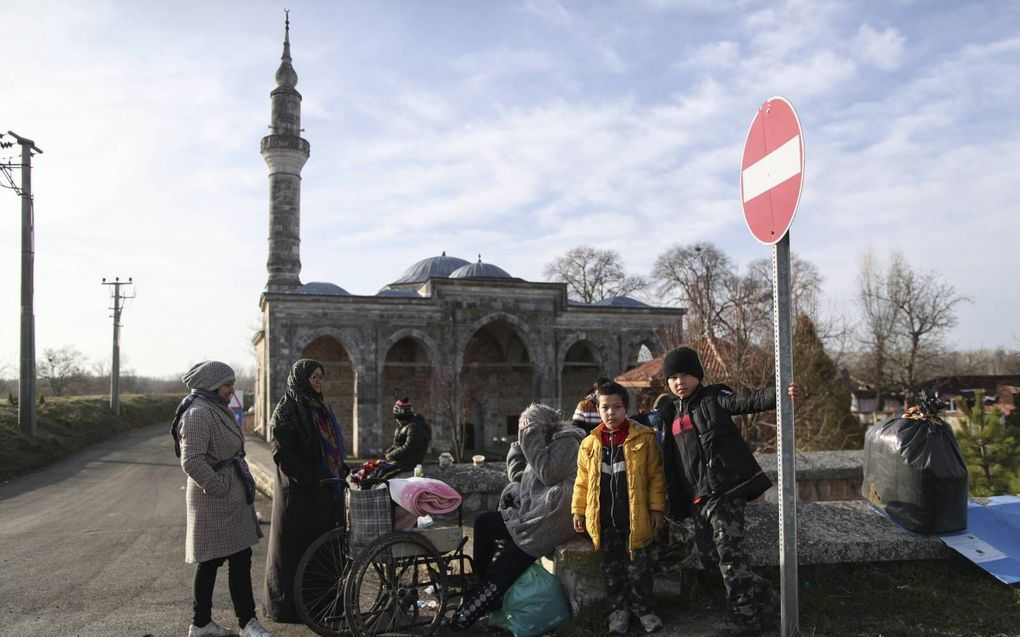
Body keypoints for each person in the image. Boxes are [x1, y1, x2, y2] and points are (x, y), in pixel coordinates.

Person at [658, 346, 795, 637]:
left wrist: (781, 394)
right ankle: (770, 603)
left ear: (698, 376)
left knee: (730, 558)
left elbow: (748, 401)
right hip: (697, 498)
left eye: (685, 375)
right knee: (710, 558)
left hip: (724, 491)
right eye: (673, 378)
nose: (679, 382)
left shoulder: (713, 399)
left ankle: (743, 621)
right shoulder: (669, 412)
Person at [450, 403, 585, 631]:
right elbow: (521, 476)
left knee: (508, 563)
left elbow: (549, 475)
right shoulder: (544, 443)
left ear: (541, 427)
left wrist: (529, 437)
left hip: (553, 518)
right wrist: (519, 446)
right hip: (535, 513)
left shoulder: (567, 442)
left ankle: (472, 610)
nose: (524, 432)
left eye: (527, 428)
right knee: (484, 524)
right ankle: (483, 585)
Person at [172, 361, 271, 637]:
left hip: (228, 498)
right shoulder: (198, 413)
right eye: (228, 384)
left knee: (238, 557)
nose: (232, 389)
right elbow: (191, 461)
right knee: (212, 560)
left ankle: (222, 623)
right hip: (213, 499)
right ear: (213, 384)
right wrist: (221, 488)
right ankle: (217, 623)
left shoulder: (215, 407)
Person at [572, 380, 667, 635]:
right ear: (598, 409)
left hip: (635, 520)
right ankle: (619, 612)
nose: (611, 413)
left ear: (626, 408)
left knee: (640, 570)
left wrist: (657, 509)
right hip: (606, 522)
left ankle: (645, 610)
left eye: (617, 407)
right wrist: (578, 512)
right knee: (612, 570)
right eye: (605, 408)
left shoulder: (643, 438)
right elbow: (582, 483)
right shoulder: (590, 443)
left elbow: (656, 477)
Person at [263, 359, 349, 624]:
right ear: (300, 379)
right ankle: (290, 609)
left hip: (325, 492)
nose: (318, 382)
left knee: (323, 550)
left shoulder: (320, 408)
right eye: (313, 377)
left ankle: (322, 606)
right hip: (299, 494)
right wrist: (310, 478)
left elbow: (330, 445)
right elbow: (283, 454)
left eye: (321, 377)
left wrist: (340, 469)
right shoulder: (287, 410)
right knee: (295, 550)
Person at [383, 397, 432, 473]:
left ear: (400, 417)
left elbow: (409, 447)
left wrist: (392, 455)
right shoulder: (404, 427)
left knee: (383, 473)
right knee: (377, 469)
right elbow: (397, 445)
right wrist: (389, 452)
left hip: (407, 464)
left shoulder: (415, 428)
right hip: (401, 462)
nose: (396, 420)